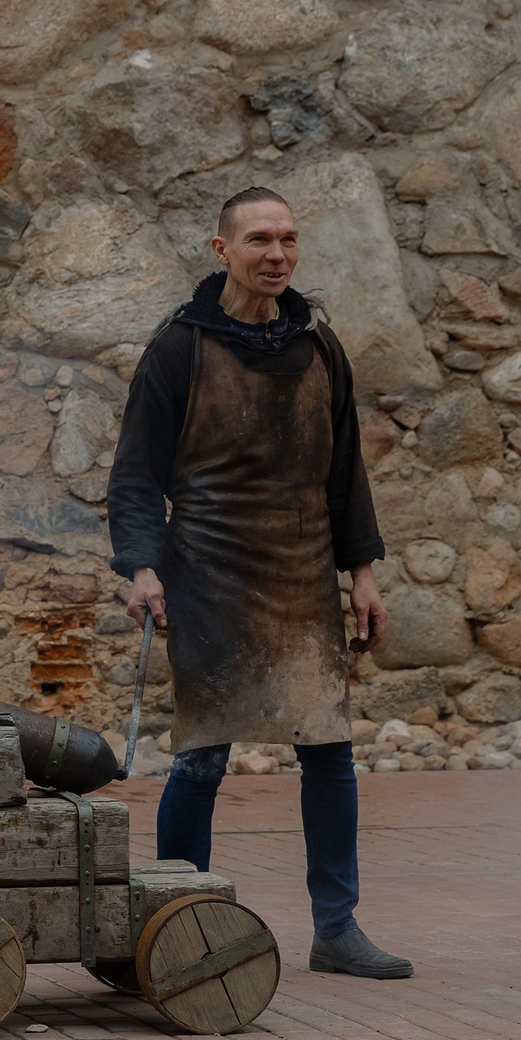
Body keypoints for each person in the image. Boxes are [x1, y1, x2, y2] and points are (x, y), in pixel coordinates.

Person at [106, 185, 412, 979]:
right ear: (221, 251)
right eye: (258, 241)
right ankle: (179, 922)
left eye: (287, 239)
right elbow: (136, 472)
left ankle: (336, 928)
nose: (276, 254)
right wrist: (141, 566)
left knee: (330, 751)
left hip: (303, 573)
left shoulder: (318, 343)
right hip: (207, 572)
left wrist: (365, 574)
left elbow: (344, 468)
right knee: (202, 756)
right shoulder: (178, 346)